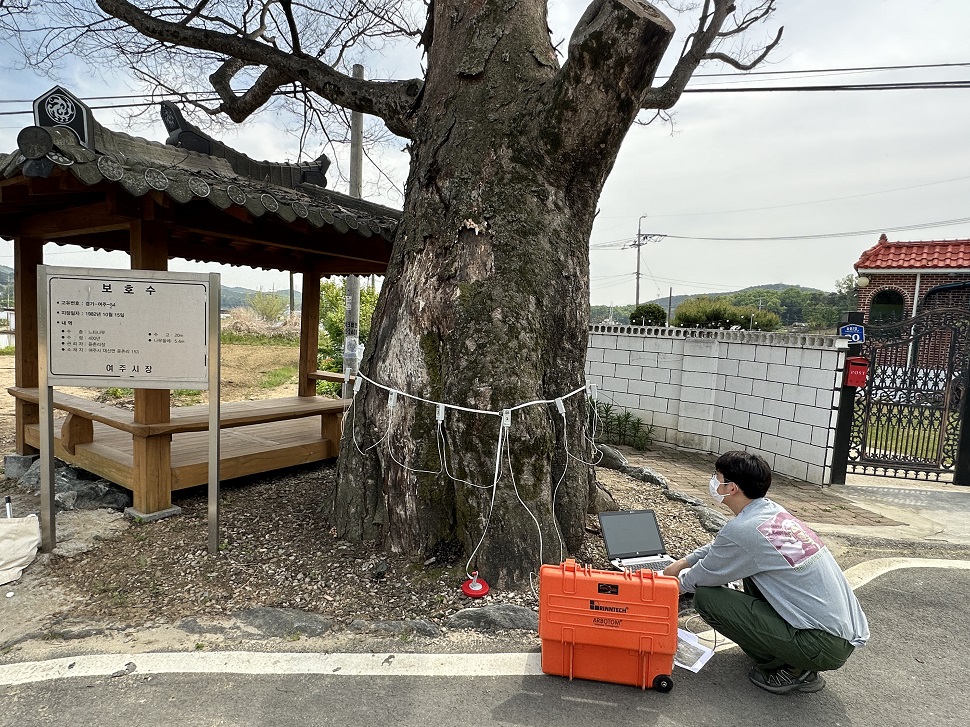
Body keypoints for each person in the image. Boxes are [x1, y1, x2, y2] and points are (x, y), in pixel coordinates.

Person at [663, 450, 869, 695]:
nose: (713, 481)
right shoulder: (770, 513)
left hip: (821, 644)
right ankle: (789, 655)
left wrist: (668, 585)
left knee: (707, 597)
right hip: (838, 635)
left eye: (717, 476)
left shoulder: (745, 530)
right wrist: (681, 563)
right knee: (751, 571)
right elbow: (724, 546)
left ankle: (792, 669)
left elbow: (701, 578)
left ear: (732, 488)